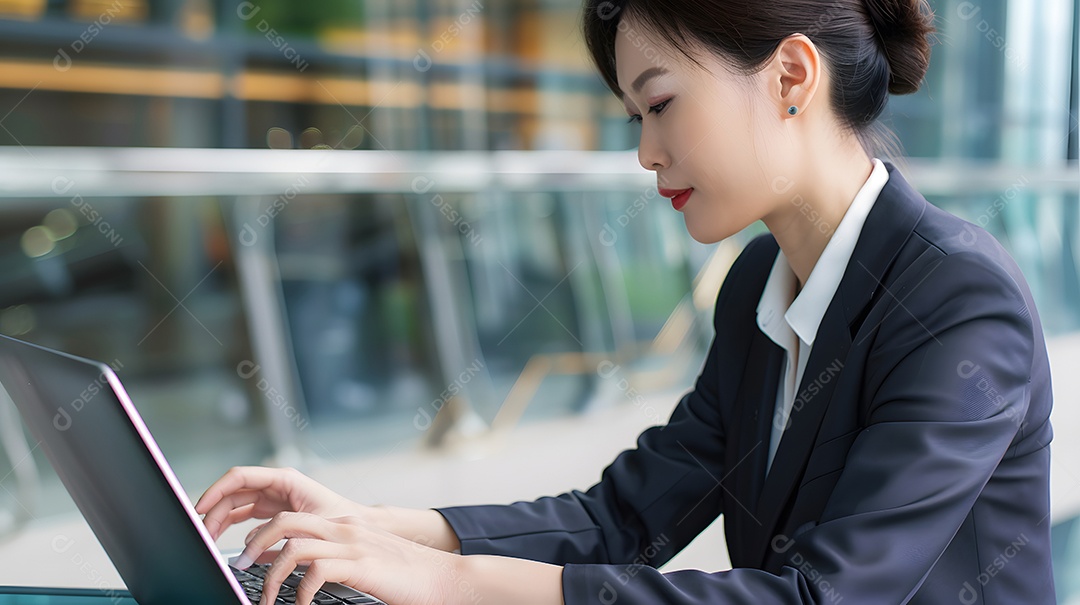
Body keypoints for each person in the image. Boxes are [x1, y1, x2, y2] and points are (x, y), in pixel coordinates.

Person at [195, 0, 1057, 603]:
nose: (646, 154)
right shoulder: (760, 285)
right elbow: (624, 517)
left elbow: (819, 596)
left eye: (660, 104)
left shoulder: (955, 299)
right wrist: (375, 529)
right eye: (634, 119)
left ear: (792, 75)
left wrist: (449, 584)